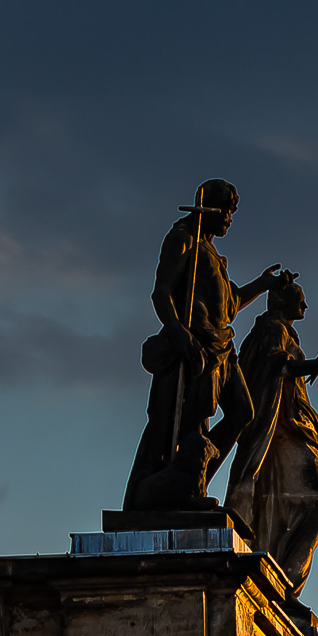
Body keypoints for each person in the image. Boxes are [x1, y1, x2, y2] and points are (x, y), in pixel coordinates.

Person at [124, 179, 286, 512]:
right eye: (227, 210)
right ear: (208, 207)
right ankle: (185, 489)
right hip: (196, 348)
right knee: (193, 422)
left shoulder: (212, 254)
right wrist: (180, 334)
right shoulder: (183, 241)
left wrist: (264, 284)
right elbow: (162, 293)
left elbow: (230, 304)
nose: (230, 217)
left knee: (243, 412)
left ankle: (193, 479)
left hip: (221, 346)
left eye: (232, 212)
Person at [224, 276, 318, 600]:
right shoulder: (272, 329)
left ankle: (281, 583)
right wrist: (314, 364)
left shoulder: (283, 331)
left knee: (300, 509)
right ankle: (285, 588)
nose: (304, 306)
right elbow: (274, 366)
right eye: (299, 299)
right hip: (282, 430)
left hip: (294, 427)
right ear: (281, 302)